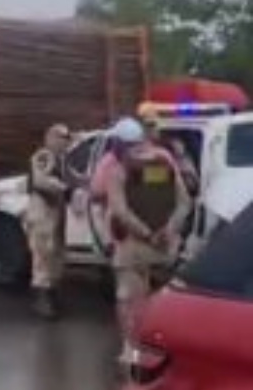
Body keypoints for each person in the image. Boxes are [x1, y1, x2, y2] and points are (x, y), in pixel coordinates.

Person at [93, 117, 191, 365]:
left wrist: (146, 233)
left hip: (132, 247)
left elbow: (119, 209)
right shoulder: (165, 162)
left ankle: (132, 350)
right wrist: (168, 230)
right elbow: (184, 203)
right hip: (165, 247)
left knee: (128, 300)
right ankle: (162, 349)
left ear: (119, 142)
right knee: (162, 300)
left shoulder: (119, 168)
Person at [24, 123, 72, 319]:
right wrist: (63, 188)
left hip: (55, 211)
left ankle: (52, 295)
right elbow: (40, 181)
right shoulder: (44, 156)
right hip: (42, 210)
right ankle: (42, 299)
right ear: (50, 138)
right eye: (61, 138)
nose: (64, 142)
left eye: (65, 138)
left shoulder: (61, 158)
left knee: (55, 255)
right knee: (43, 254)